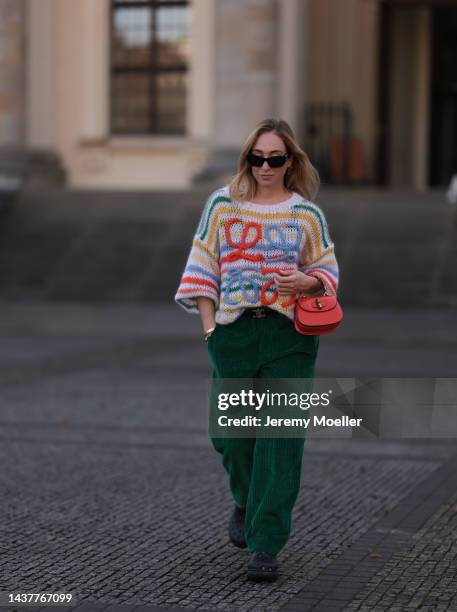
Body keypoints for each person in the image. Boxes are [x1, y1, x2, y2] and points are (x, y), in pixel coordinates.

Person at [175, 118, 339, 582]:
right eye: (257, 157)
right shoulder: (223, 205)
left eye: (275, 159)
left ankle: (265, 543)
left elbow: (326, 270)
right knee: (228, 434)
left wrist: (306, 280)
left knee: (281, 440)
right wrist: (210, 329)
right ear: (247, 158)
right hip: (234, 333)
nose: (265, 166)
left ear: (291, 162)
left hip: (291, 337)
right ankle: (246, 502)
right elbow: (203, 265)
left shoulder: (306, 214)